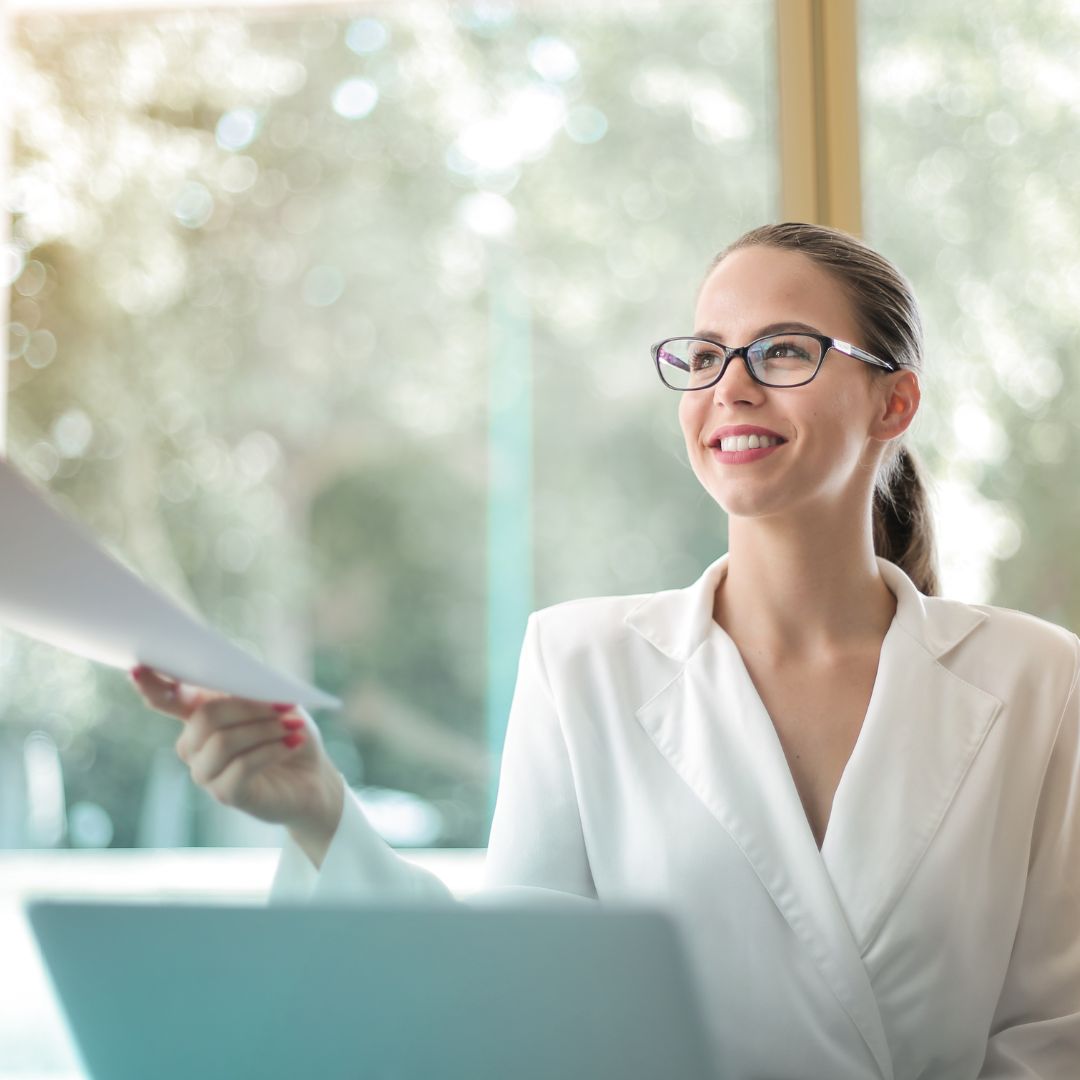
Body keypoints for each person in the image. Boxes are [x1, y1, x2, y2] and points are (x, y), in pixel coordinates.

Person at [130, 222, 1080, 1079]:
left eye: (783, 350)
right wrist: (320, 815)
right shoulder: (579, 660)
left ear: (894, 403)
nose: (729, 386)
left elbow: (1053, 1035)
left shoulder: (1037, 680)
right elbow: (514, 1006)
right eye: (705, 355)